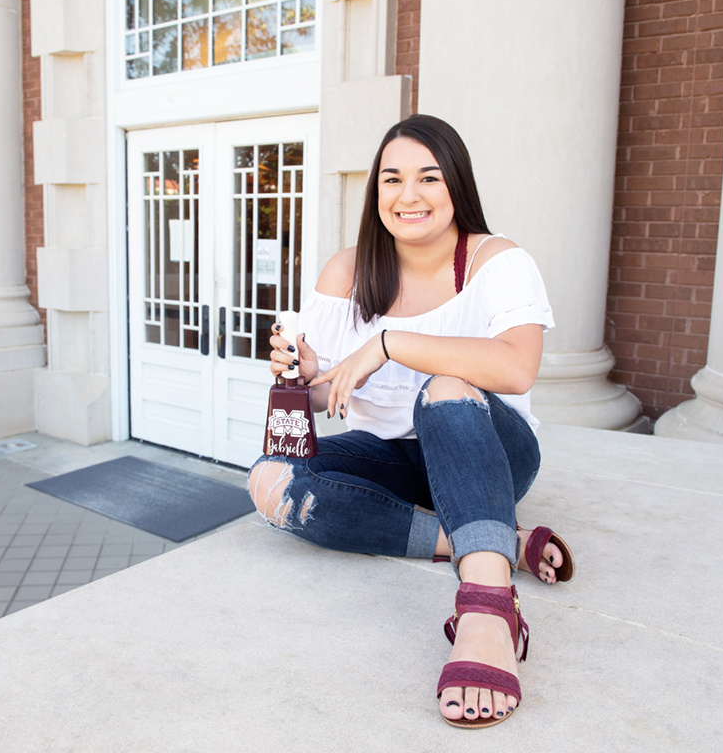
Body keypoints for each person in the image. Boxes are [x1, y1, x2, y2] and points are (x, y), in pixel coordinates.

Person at [246, 114, 575, 729]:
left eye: (428, 177)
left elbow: (516, 368)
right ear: (377, 193)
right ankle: (490, 539)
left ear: (456, 185)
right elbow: (327, 398)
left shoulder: (496, 261)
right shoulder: (347, 271)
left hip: (489, 447)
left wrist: (391, 343)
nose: (409, 195)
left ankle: (486, 608)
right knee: (272, 482)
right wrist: (306, 376)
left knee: (446, 387)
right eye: (392, 179)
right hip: (395, 456)